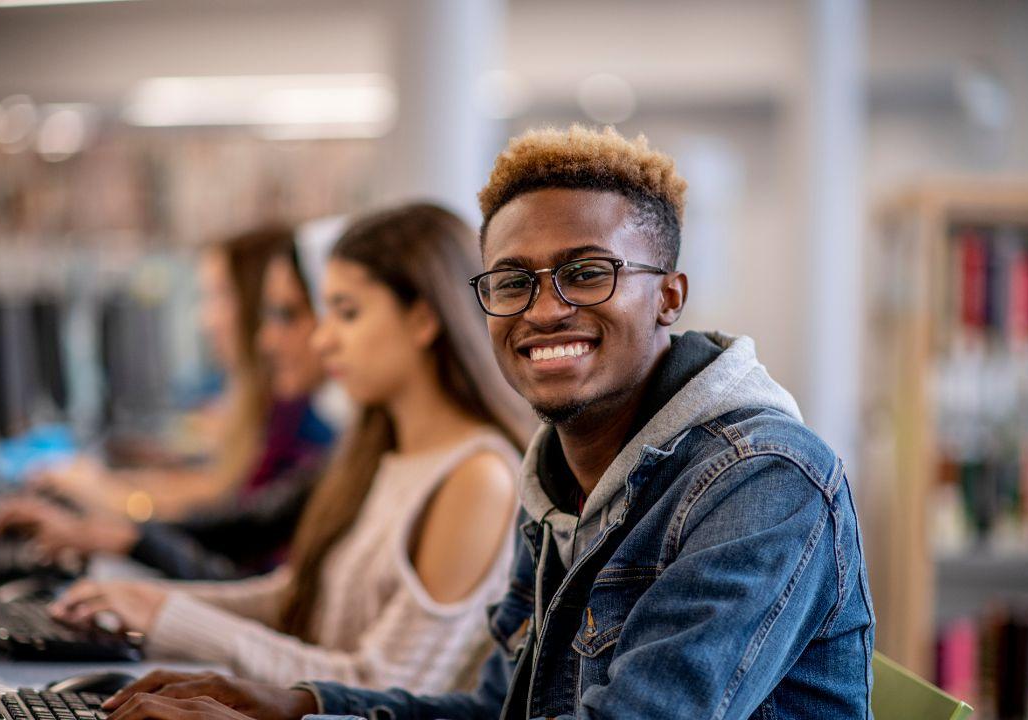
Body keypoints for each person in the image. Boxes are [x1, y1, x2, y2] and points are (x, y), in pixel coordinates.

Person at [98, 125, 875, 720]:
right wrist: (296, 705)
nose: (543, 309)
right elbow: (492, 712)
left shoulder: (763, 482)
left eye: (585, 272)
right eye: (513, 281)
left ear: (669, 296)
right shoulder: (560, 478)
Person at [49, 202, 536, 695]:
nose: (322, 341)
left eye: (346, 313)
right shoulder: (382, 454)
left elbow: (384, 687)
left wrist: (167, 616)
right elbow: (296, 598)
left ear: (423, 319)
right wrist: (149, 602)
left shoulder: (477, 476)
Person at [0, 225, 339, 579]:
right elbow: (233, 518)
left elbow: (232, 530)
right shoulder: (297, 422)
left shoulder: (305, 427)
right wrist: (114, 518)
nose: (204, 319)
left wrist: (117, 508)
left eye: (218, 296)